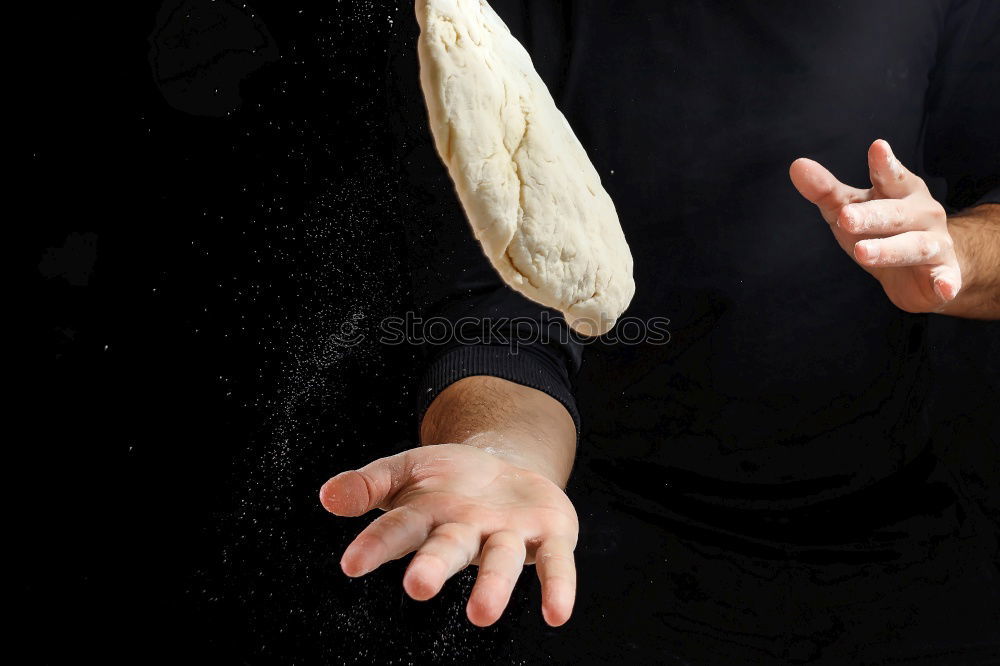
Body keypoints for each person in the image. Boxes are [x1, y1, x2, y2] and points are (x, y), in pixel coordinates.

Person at [319, 1, 999, 662]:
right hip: (616, 557)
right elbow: (499, 321)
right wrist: (502, 456)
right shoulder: (477, 19)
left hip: (897, 536)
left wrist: (953, 260)